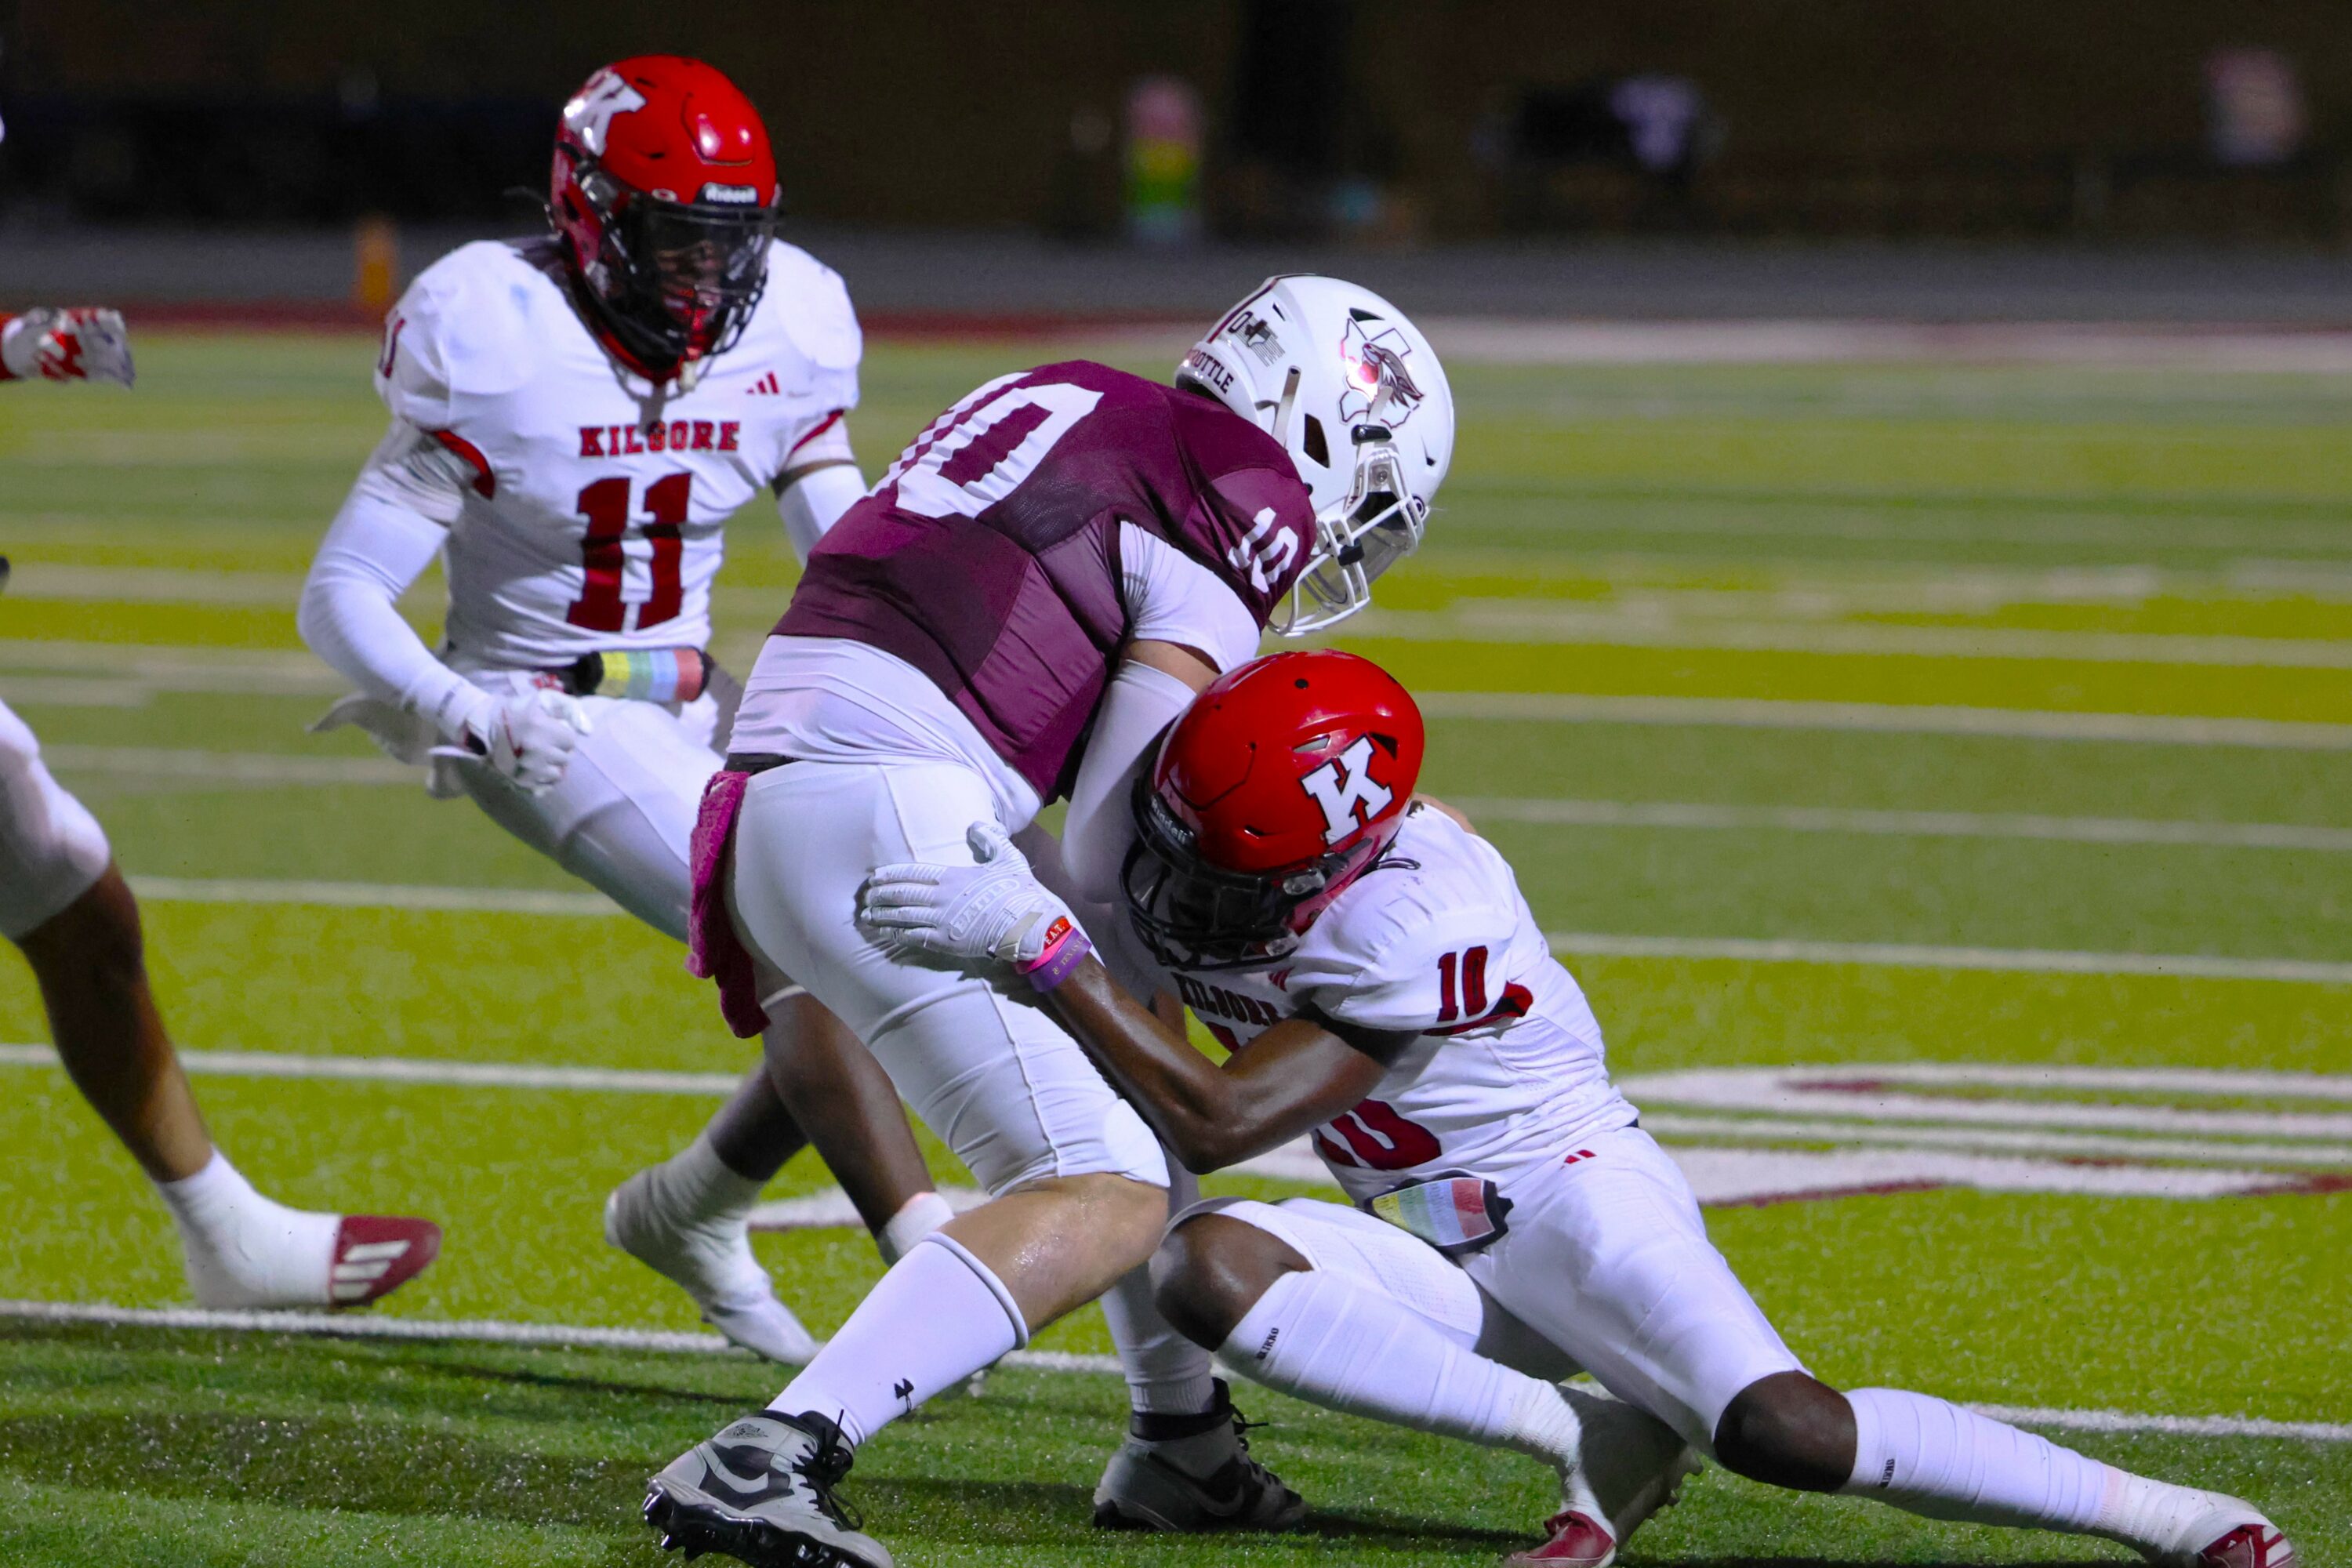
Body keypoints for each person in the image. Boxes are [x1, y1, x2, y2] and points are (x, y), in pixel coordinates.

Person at [858, 648, 2301, 1568]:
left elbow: (1225, 1119)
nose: (1201, 901)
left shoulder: (1423, 908)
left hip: (1566, 1199)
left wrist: (1048, 957)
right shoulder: (1229, 825)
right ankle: (1597, 1437)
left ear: (1346, 861)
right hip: (1419, 1230)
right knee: (1202, 1268)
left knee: (1791, 1435)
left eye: (1247, 880)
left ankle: (2182, 1524)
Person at [641, 275, 1456, 1568]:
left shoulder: (1072, 391)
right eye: (1360, 504)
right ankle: (774, 1452)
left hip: (777, 792)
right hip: (892, 802)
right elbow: (1110, 844)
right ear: (1322, 427)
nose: (1331, 541)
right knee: (1111, 1181)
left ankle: (1179, 1444)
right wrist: (1161, 978)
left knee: (1128, 1079)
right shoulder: (1247, 489)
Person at [296, 56, 948, 1363]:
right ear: (589, 216)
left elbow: (843, 538)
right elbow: (342, 593)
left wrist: (937, 642)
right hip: (534, 713)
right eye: (673, 243)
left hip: (689, 695)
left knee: (903, 897)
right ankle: (930, 1254)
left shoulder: (793, 323)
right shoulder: (493, 330)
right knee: (797, 926)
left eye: (729, 245)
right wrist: (460, 712)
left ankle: (689, 1209)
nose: (705, 280)